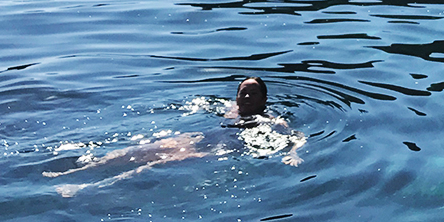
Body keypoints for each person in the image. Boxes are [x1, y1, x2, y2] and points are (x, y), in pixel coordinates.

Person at [44, 77, 302, 196]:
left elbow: (296, 136)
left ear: (264, 99)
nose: (245, 97)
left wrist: (292, 153)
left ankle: (84, 188)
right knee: (136, 151)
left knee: (156, 164)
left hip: (222, 149)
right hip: (203, 136)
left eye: (252, 94)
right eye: (242, 92)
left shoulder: (271, 120)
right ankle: (70, 173)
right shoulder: (231, 109)